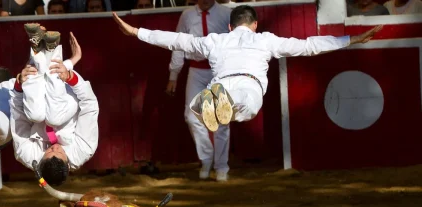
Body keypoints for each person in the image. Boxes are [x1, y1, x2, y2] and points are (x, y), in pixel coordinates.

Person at [112, 5, 382, 133]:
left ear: (230, 27)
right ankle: (223, 101)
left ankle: (215, 97)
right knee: (250, 108)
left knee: (196, 107)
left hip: (220, 82)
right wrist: (350, 39)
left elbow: (177, 40)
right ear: (254, 25)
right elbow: (309, 45)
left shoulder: (215, 40)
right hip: (248, 85)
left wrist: (137, 32)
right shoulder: (265, 39)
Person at [10, 30, 98, 186]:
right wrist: (71, 78)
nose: (55, 148)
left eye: (50, 151)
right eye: (60, 152)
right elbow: (90, 106)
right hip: (67, 100)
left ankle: (37, 49)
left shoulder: (26, 154)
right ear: (68, 164)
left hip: (36, 98)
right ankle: (52, 51)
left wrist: (19, 85)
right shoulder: (83, 150)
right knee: (54, 117)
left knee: (35, 115)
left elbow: (18, 117)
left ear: (41, 160)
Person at [167, 0, 232, 181]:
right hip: (196, 69)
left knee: (222, 118)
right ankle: (206, 157)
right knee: (191, 116)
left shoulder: (226, 13)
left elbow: (236, 43)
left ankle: (221, 166)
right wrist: (174, 75)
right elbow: (179, 45)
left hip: (219, 69)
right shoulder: (187, 15)